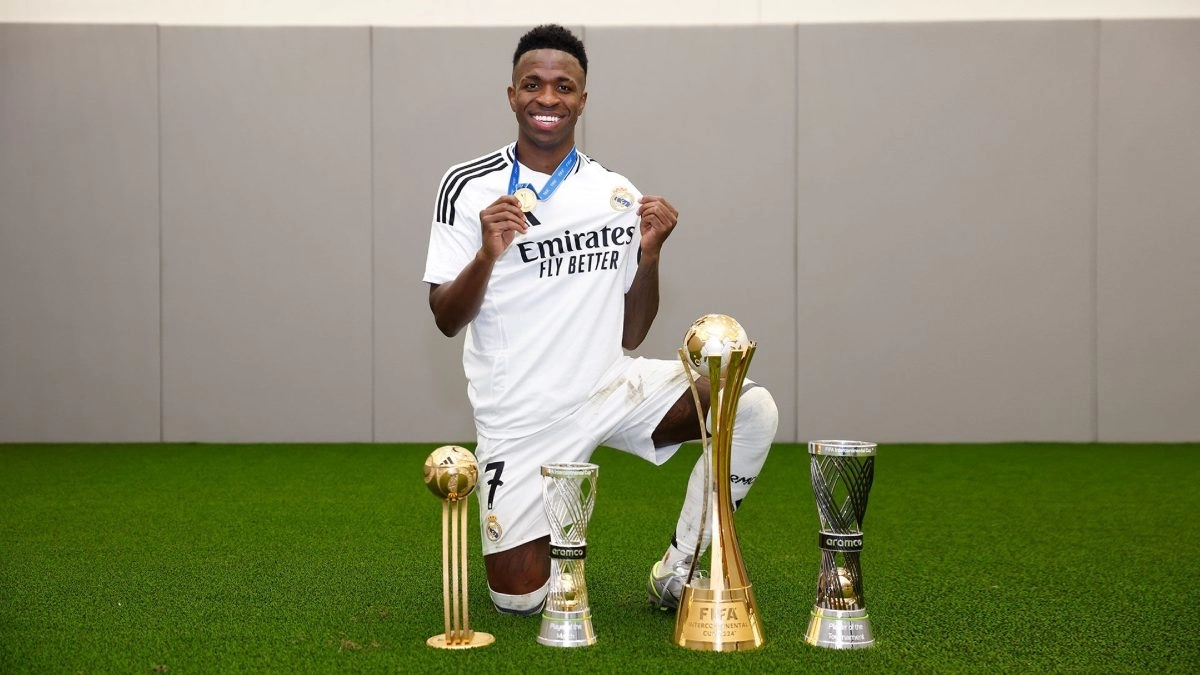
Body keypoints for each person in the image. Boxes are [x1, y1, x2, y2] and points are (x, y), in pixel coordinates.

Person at [422, 24, 778, 615]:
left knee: (752, 408)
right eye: (532, 84)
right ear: (511, 94)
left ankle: (682, 567)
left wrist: (652, 253)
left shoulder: (614, 192)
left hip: (609, 386)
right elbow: (444, 318)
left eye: (564, 87)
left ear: (582, 101)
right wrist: (487, 253)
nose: (548, 98)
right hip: (523, 416)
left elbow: (632, 332)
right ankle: (551, 523)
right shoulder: (467, 187)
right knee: (520, 601)